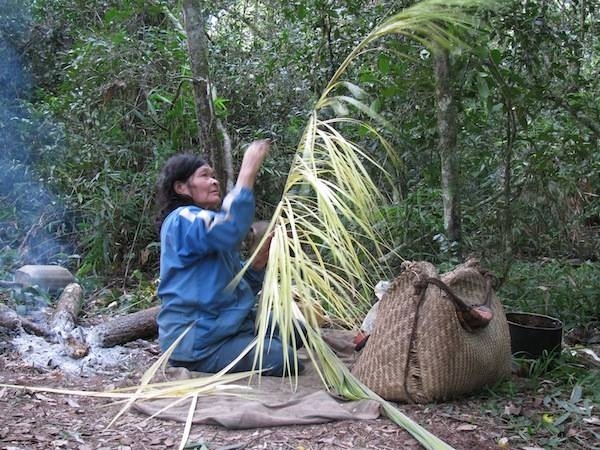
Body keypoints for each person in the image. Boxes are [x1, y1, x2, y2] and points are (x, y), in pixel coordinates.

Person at [155, 139, 303, 376]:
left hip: (226, 325)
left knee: (296, 330)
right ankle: (206, 361)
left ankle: (245, 344)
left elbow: (231, 285)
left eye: (213, 176)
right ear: (181, 187)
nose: (214, 181)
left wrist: (256, 265)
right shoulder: (182, 219)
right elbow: (230, 229)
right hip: (200, 341)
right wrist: (247, 171)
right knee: (285, 359)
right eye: (204, 176)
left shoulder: (204, 224)